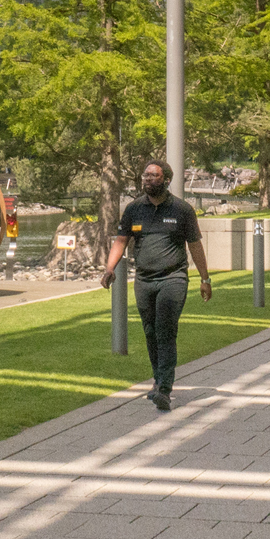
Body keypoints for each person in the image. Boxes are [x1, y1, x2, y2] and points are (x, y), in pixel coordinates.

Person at [101, 159, 213, 410]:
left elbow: (195, 245)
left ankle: (164, 387)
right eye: (145, 175)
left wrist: (205, 279)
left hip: (173, 278)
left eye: (153, 175)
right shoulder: (133, 209)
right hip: (144, 279)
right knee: (150, 332)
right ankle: (158, 379)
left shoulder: (182, 210)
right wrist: (110, 268)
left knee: (165, 330)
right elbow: (121, 241)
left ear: (166, 180)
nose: (147, 179)